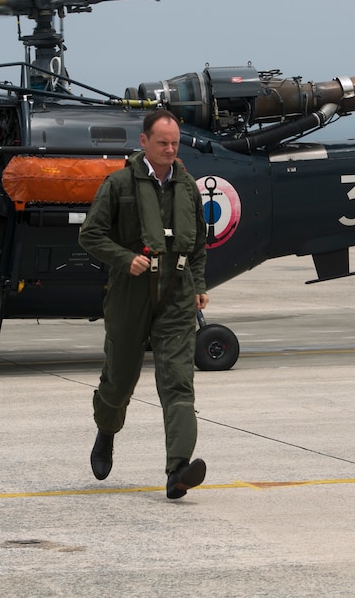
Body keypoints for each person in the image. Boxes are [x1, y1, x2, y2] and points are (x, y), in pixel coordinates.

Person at [78, 110, 210, 499]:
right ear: (144, 142)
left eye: (175, 143)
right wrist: (124, 258)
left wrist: (198, 283)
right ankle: (106, 432)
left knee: (178, 382)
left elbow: (199, 244)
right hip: (130, 290)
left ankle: (178, 470)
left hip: (178, 292)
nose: (170, 150)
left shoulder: (188, 188)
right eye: (162, 143)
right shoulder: (118, 185)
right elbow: (91, 235)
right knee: (118, 382)